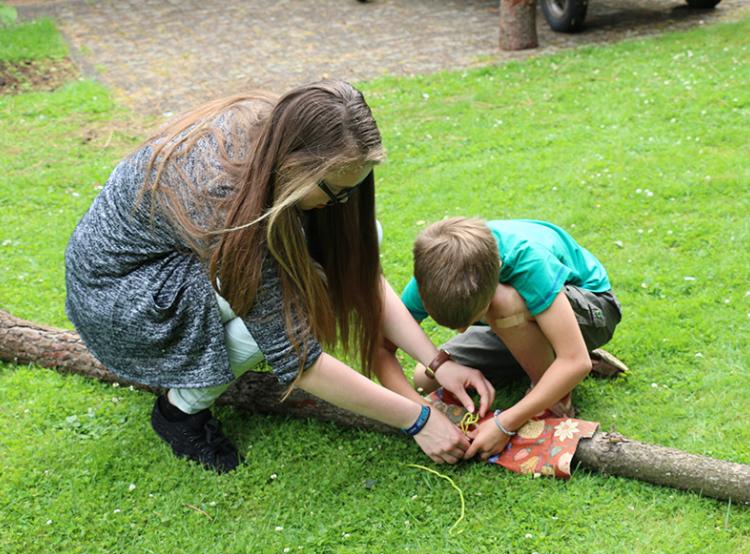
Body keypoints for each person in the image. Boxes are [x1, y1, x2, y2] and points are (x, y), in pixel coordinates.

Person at [64, 81, 493, 473]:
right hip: (122, 301)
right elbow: (299, 360)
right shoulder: (222, 199)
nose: (343, 202)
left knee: (354, 246)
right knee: (298, 294)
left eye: (354, 189)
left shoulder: (282, 139)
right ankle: (181, 413)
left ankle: (208, 360)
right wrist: (418, 420)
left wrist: (437, 362)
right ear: (297, 168)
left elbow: (358, 269)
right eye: (334, 191)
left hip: (173, 267)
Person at [400, 217, 622, 461]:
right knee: (424, 376)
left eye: (471, 318)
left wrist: (505, 423)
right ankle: (549, 358)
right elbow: (382, 346)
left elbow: (576, 362)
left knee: (504, 302)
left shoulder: (527, 259)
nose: (462, 330)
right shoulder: (434, 276)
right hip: (512, 323)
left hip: (594, 310)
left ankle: (557, 397)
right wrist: (423, 415)